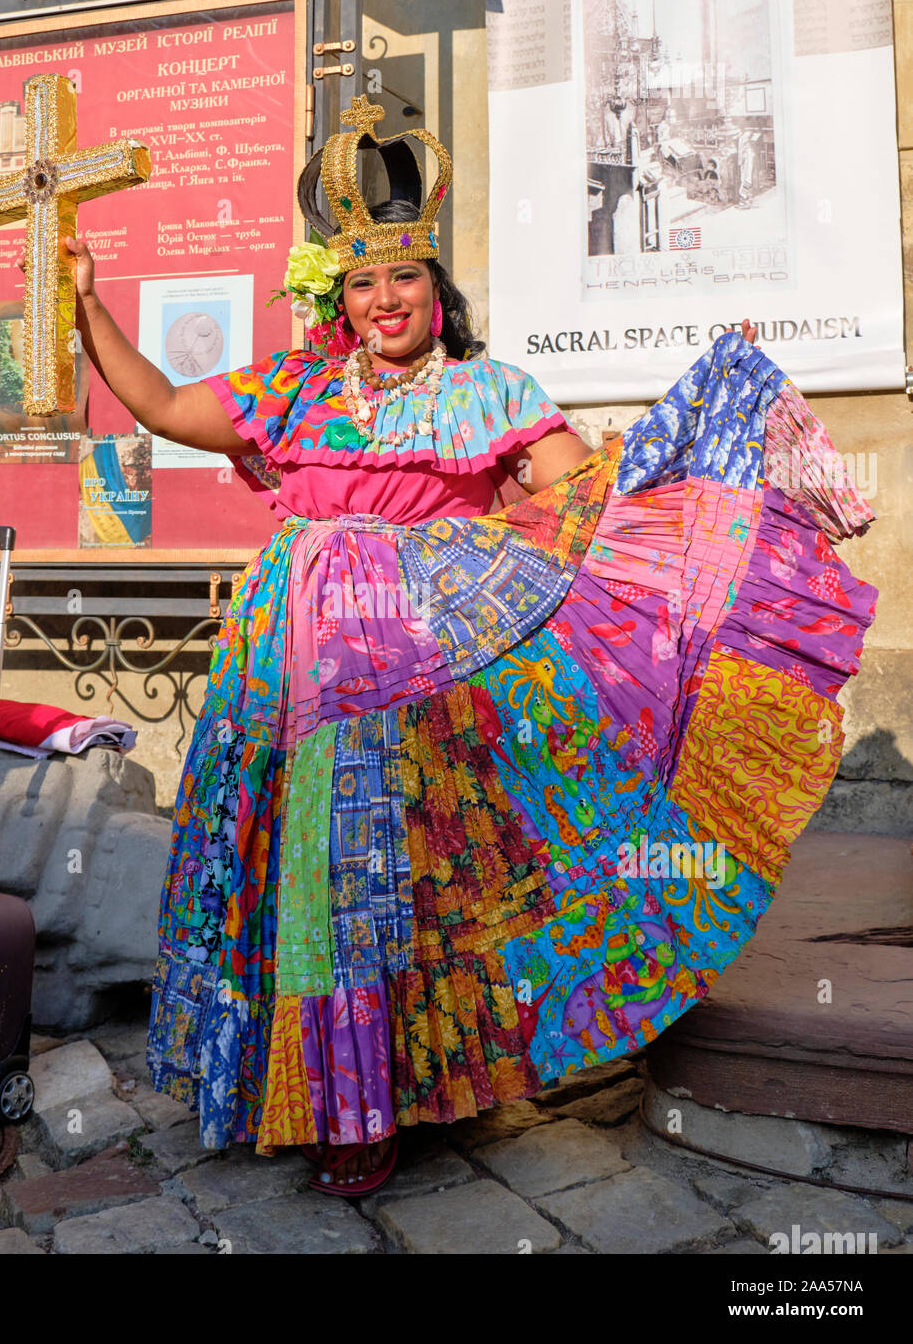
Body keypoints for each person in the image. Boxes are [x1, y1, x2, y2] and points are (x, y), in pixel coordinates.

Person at [67, 95, 876, 1196]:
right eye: (360, 282)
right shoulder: (296, 388)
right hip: (285, 671)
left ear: (432, 285)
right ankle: (301, 1087)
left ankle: (372, 1100)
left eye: (401, 277)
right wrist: (85, 303)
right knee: (298, 875)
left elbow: (583, 499)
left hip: (420, 686)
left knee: (386, 880)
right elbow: (160, 402)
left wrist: (695, 452)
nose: (383, 301)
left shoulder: (488, 394)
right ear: (339, 297)